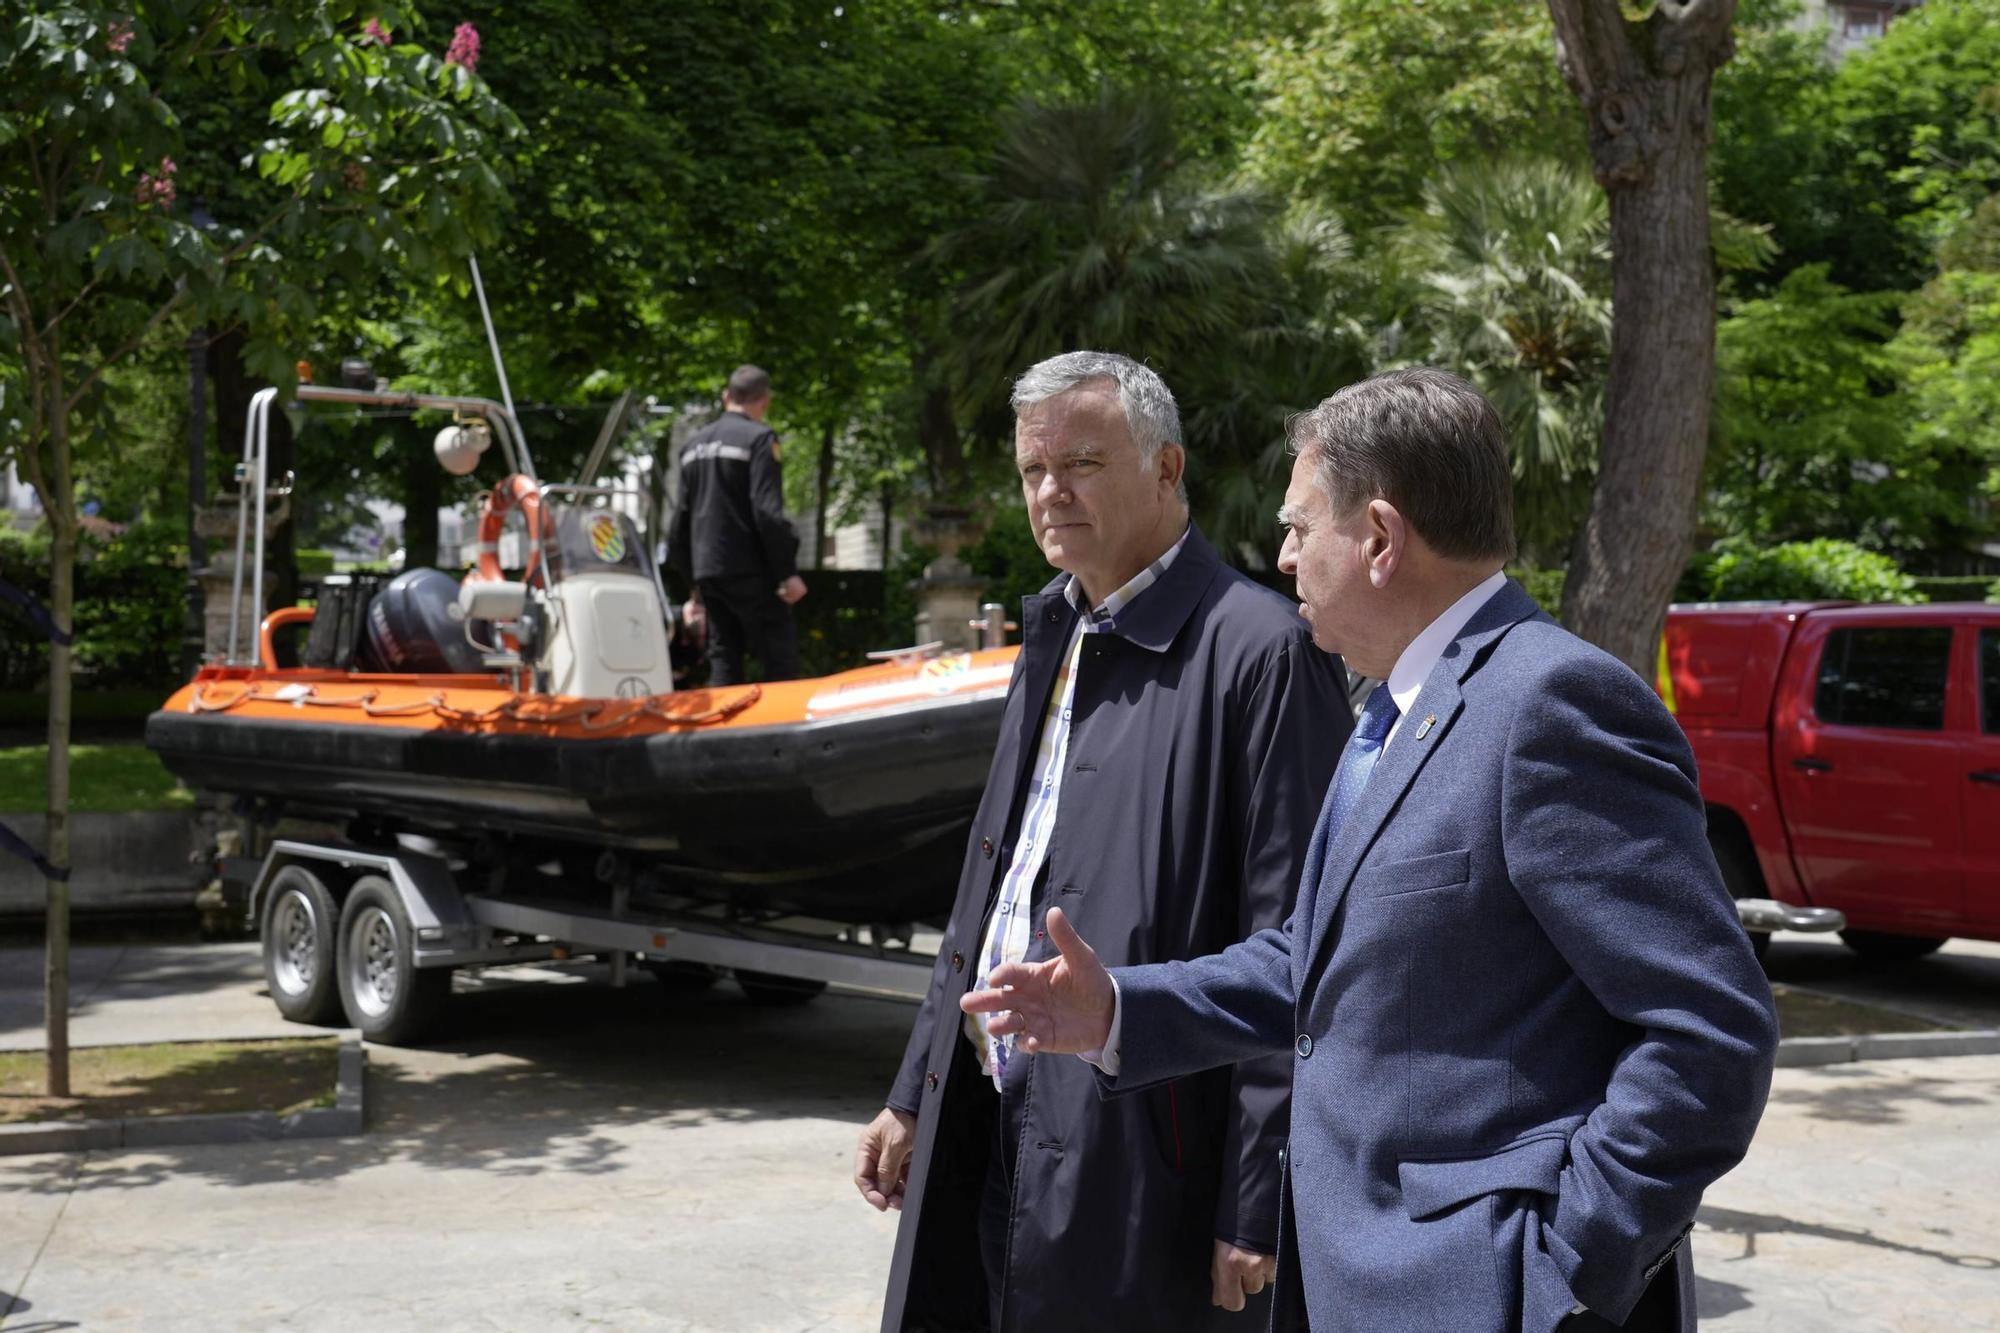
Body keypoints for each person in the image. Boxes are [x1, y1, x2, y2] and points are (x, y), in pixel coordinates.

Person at [961, 367, 1780, 1333]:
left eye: (1301, 528)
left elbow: (1709, 1030)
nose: (1282, 557)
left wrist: (1563, 1271)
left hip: (1476, 1295)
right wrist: (1117, 1010)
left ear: (1381, 539)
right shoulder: (1390, 708)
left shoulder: (1551, 704)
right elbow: (1312, 963)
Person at [852, 352, 1349, 1332]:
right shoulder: (1053, 628)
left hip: (1139, 1156)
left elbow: (1298, 949)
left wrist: (1258, 1196)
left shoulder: (1259, 651)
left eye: (1079, 462)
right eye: (1032, 470)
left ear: (1166, 470)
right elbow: (987, 888)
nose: (1049, 491)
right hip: (987, 1117)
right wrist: (916, 1087)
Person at [666, 364, 806, 684]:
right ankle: (784, 729)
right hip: (750, 569)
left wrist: (694, 584)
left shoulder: (692, 447)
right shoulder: (760, 439)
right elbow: (767, 513)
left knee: (724, 652)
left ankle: (724, 727)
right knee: (778, 651)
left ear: (726, 396)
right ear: (765, 401)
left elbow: (678, 527)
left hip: (708, 571)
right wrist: (787, 573)